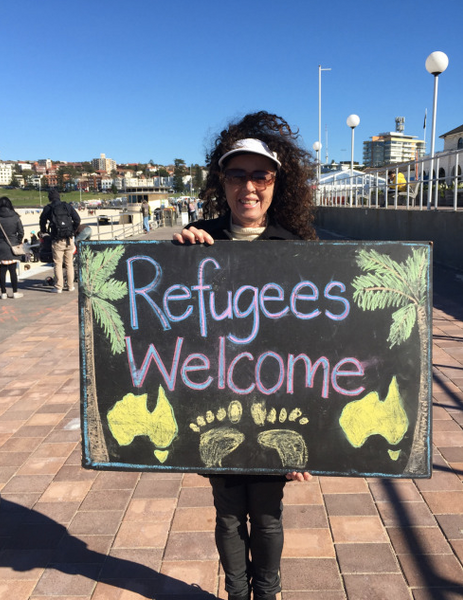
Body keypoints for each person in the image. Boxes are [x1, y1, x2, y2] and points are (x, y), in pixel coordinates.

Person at [174, 111, 316, 600]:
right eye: (237, 174)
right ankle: (237, 593)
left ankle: (267, 592)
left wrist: (309, 438)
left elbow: (318, 350)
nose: (249, 187)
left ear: (277, 182)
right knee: (229, 511)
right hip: (216, 401)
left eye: (261, 175)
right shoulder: (197, 241)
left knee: (269, 511)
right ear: (222, 181)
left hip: (277, 403)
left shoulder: (297, 250)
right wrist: (177, 256)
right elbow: (169, 324)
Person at [39, 189, 80, 293]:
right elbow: (77, 219)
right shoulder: (67, 206)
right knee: (69, 263)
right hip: (69, 238)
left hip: (57, 239)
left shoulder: (48, 208)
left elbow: (42, 221)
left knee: (58, 263)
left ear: (50, 198)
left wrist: (44, 232)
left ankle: (58, 287)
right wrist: (72, 230)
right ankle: (70, 286)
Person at [0, 197, 25, 300]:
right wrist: (17, 241)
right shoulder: (15, 217)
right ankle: (15, 292)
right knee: (13, 270)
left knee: (2, 271)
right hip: (12, 246)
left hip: (0, 246)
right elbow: (21, 232)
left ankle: (3, 293)